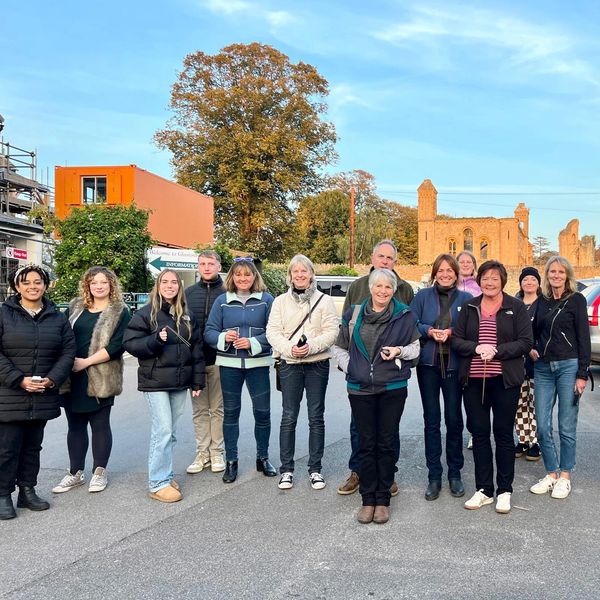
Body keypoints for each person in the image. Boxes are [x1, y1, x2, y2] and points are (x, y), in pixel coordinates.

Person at [334, 268, 419, 524]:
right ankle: (367, 498)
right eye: (378, 286)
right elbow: (338, 347)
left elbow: (416, 349)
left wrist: (398, 351)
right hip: (359, 389)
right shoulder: (354, 313)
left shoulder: (405, 314)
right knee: (366, 443)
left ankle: (382, 499)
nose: (383, 291)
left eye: (388, 287)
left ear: (394, 290)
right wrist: (354, 369)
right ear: (370, 287)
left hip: (392, 388)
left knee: (386, 441)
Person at [452, 260, 532, 514]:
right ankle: (484, 489)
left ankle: (504, 490)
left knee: (503, 434)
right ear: (479, 280)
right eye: (485, 277)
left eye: (494, 278)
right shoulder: (468, 307)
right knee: (480, 433)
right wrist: (476, 348)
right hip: (474, 380)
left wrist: (497, 351)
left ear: (503, 281)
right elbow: (457, 340)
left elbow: (525, 342)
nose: (489, 282)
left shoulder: (515, 307)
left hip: (505, 380)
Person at [0, 266, 75, 520]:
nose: (33, 286)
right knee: (7, 448)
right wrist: (18, 380)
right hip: (9, 393)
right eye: (26, 282)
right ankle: (3, 495)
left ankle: (27, 490)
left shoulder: (57, 317)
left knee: (33, 446)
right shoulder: (3, 315)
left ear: (45, 285)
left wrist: (52, 379)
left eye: (38, 282)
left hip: (42, 392)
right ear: (17, 287)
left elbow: (68, 352)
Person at [123, 270, 205, 503]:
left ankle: (165, 475)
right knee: (164, 431)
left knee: (170, 432)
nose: (169, 286)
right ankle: (158, 482)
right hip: (155, 382)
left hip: (180, 382)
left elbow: (197, 349)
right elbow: (130, 343)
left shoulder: (186, 315)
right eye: (164, 282)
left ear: (179, 286)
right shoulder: (146, 313)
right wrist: (154, 341)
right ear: (157, 286)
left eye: (173, 282)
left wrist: (197, 379)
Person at [53, 267, 130, 495]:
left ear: (111, 285)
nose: (98, 286)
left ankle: (99, 472)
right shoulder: (75, 307)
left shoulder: (120, 311)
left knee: (100, 425)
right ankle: (75, 473)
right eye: (94, 282)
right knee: (75, 426)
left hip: (101, 376)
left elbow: (117, 345)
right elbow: (62, 335)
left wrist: (85, 363)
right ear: (87, 285)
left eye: (103, 282)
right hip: (71, 376)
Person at [266, 255, 339, 491]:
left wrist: (312, 347)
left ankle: (315, 469)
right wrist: (290, 349)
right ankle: (286, 470)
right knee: (289, 416)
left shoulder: (324, 301)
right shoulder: (279, 302)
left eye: (304, 271)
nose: (299, 275)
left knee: (316, 416)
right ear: (290, 275)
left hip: (317, 363)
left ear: (311, 274)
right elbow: (272, 332)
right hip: (289, 364)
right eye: (295, 271)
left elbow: (332, 331)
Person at [204, 258, 275, 483]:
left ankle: (262, 458)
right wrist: (224, 337)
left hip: (258, 365)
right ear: (231, 277)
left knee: (262, 413)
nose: (242, 279)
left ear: (255, 277)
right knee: (231, 413)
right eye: (238, 275)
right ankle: (231, 462)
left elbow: (275, 332)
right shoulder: (222, 301)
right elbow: (209, 331)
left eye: (247, 274)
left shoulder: (267, 300)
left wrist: (253, 342)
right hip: (230, 366)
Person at [409, 254, 471, 501]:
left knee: (454, 419)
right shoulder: (422, 296)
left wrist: (452, 332)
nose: (445, 274)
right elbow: (411, 322)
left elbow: (470, 329)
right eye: (441, 270)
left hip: (455, 365)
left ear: (456, 273)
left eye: (449, 270)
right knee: (432, 420)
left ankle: (454, 473)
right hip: (428, 365)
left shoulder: (466, 299)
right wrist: (428, 331)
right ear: (434, 273)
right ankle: (434, 475)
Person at [529, 256, 591, 499]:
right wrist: (532, 348)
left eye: (560, 272)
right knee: (542, 425)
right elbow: (533, 331)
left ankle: (565, 475)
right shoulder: (542, 301)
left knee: (566, 425)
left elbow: (583, 338)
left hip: (568, 365)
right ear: (547, 275)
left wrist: (582, 374)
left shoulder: (577, 300)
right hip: (543, 368)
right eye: (552, 271)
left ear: (567, 275)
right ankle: (551, 473)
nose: (556, 275)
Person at [185, 250, 226, 475]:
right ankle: (202, 452)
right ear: (198, 267)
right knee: (199, 410)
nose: (207, 268)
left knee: (218, 409)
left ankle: (217, 452)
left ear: (219, 266)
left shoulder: (228, 292)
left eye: (211, 263)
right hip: (194, 362)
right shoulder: (188, 293)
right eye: (202, 264)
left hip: (220, 359)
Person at [514, 267, 541, 462]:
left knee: (536, 403)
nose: (529, 282)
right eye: (526, 279)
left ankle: (536, 441)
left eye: (533, 279)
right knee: (519, 403)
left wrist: (535, 347)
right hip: (517, 361)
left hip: (538, 361)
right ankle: (523, 439)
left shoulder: (544, 304)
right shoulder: (515, 304)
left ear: (539, 283)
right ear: (521, 283)